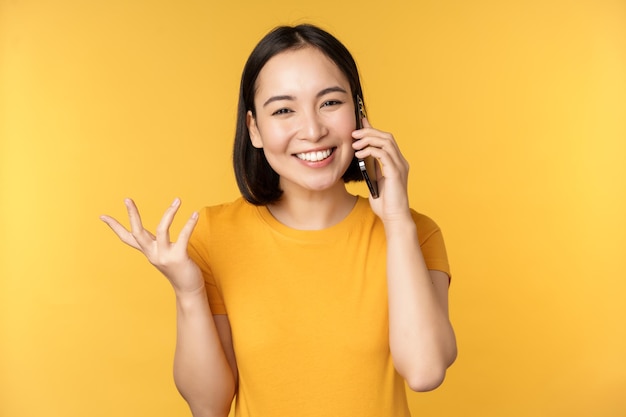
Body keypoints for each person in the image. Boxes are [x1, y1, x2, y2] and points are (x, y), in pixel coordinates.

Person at [101, 24, 457, 417]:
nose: (312, 130)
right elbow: (208, 407)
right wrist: (188, 293)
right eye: (284, 110)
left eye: (330, 103)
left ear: (359, 112)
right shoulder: (214, 236)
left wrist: (396, 221)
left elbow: (425, 371)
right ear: (254, 129)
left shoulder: (415, 233)